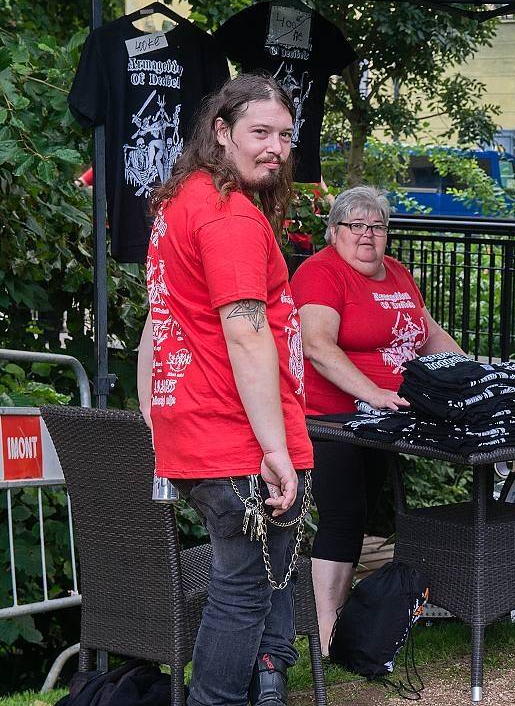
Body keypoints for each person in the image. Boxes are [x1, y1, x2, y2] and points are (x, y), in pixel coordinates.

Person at [137, 73, 312, 706]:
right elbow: (245, 335)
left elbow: (156, 325)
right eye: (259, 132)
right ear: (221, 131)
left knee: (257, 579)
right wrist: (274, 448)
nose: (275, 147)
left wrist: (156, 416)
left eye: (285, 136)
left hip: (199, 421)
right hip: (237, 431)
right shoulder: (228, 216)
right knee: (243, 588)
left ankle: (266, 690)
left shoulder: (181, 199)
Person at [291, 185, 466, 654]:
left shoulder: (398, 274)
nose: (367, 235)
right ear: (334, 232)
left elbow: (428, 335)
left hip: (386, 416)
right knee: (343, 518)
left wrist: (473, 377)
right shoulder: (320, 273)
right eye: (355, 225)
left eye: (377, 226)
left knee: (365, 513)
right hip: (333, 417)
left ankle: (348, 620)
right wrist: (373, 393)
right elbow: (317, 347)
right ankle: (326, 636)